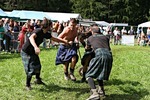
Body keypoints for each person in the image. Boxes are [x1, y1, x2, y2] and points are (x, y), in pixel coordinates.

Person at [21, 18, 69, 90]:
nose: (52, 27)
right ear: (48, 26)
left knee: (38, 66)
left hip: (33, 52)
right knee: (30, 69)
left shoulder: (46, 34)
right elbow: (31, 38)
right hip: (26, 52)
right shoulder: (38, 31)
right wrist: (35, 47)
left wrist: (65, 42)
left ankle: (38, 80)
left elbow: (55, 39)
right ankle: (27, 85)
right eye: (51, 25)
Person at [85, 25, 113, 100]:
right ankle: (101, 90)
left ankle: (94, 93)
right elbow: (108, 48)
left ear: (92, 31)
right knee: (100, 73)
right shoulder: (106, 37)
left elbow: (87, 49)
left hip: (99, 54)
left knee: (88, 75)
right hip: (109, 55)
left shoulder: (90, 38)